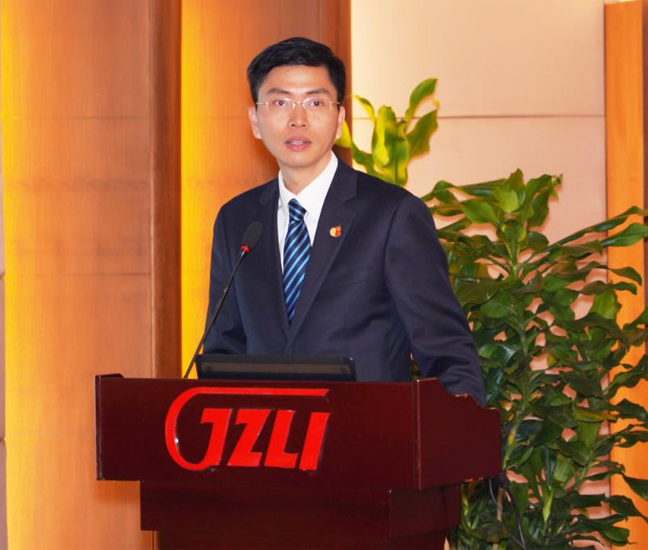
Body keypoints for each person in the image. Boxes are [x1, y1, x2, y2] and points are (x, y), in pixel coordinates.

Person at [203, 36, 485, 404]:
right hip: (270, 436)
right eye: (280, 102)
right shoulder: (237, 219)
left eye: (315, 102)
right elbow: (223, 351)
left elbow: (446, 351)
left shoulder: (392, 214)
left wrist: (456, 429)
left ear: (339, 120)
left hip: (369, 432)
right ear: (255, 120)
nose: (298, 119)